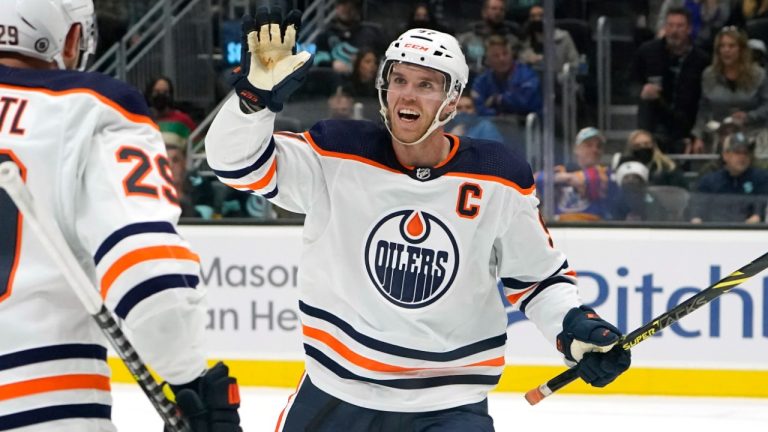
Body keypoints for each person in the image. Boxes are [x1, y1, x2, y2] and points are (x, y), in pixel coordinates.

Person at [209, 8, 630, 431]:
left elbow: (538, 280)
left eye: (426, 85)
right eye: (399, 81)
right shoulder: (336, 153)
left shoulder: (498, 177)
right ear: (383, 88)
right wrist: (253, 102)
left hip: (448, 406)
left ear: (452, 99)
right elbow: (237, 165)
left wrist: (575, 328)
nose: (407, 96)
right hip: (336, 393)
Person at [0, 1, 241, 430]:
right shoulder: (90, 109)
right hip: (40, 402)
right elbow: (149, 272)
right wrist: (191, 382)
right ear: (71, 38)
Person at [631, 7, 710, 153]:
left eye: (680, 26)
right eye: (670, 25)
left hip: (687, 123)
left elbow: (705, 99)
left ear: (689, 29)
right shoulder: (647, 52)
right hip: (654, 123)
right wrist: (641, 91)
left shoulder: (702, 59)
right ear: (664, 27)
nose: (674, 31)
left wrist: (697, 133)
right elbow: (630, 83)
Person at [692, 27, 768, 155]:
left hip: (754, 132)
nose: (726, 50)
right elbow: (704, 109)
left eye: (731, 46)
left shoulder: (759, 75)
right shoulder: (709, 75)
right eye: (722, 46)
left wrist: (749, 116)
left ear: (742, 49)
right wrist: (698, 135)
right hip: (719, 135)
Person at [535, 127, 622, 221]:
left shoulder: (607, 173)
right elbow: (533, 181)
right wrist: (569, 178)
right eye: (588, 145)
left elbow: (594, 180)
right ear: (576, 149)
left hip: (592, 226)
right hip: (559, 227)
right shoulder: (562, 170)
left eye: (599, 146)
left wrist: (558, 179)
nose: (595, 150)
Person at [690, 132, 768, 222]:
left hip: (750, 232)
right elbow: (696, 208)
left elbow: (763, 202)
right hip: (715, 231)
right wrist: (696, 219)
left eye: (746, 153)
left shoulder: (761, 178)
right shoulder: (709, 181)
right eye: (737, 152)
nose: (742, 157)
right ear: (725, 155)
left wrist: (757, 216)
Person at [471, 35, 543, 117]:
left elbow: (526, 103)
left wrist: (498, 99)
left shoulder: (527, 75)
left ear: (511, 54)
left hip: (524, 126)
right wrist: (498, 116)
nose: (502, 59)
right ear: (487, 60)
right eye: (496, 56)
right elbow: (478, 108)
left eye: (505, 54)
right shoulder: (481, 82)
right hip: (492, 125)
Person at [519, 5, 580, 75]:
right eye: (533, 16)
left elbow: (575, 64)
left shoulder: (563, 38)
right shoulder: (524, 40)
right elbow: (518, 66)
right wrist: (528, 60)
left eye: (541, 15)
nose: (537, 19)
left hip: (558, 81)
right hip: (530, 82)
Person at [614, 129, 687, 187]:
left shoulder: (668, 166)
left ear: (653, 145)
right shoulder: (624, 166)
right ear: (631, 148)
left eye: (646, 144)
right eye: (637, 146)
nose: (643, 147)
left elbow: (680, 190)